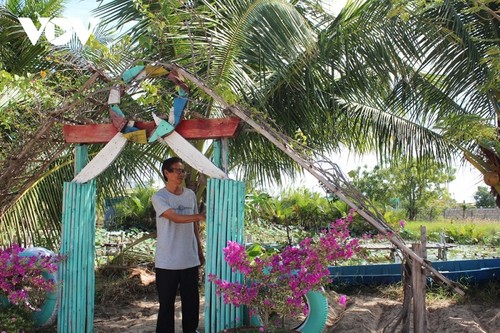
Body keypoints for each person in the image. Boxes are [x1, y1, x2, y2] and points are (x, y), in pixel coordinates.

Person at [151, 157, 205, 333]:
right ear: (167, 173)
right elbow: (173, 217)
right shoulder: (159, 197)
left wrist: (199, 249)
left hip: (189, 259)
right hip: (167, 261)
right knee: (166, 303)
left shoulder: (190, 195)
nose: (181, 174)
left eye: (183, 170)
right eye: (177, 170)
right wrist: (199, 216)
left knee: (191, 301)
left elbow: (194, 226)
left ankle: (191, 330)